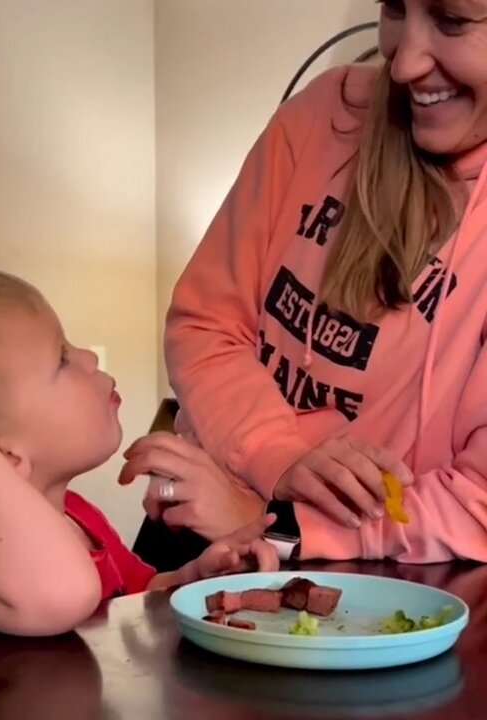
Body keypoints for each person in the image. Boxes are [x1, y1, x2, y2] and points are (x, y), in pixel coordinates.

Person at [126, 0, 487, 566]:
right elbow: (205, 324)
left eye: (452, 21)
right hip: (202, 522)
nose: (404, 63)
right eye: (395, 7)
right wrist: (278, 460)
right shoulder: (324, 113)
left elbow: (477, 504)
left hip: (372, 580)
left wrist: (278, 526)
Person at [0, 268, 276, 640]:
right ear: (3, 455)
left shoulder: (79, 515)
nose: (90, 357)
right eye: (61, 359)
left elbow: (134, 597)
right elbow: (65, 597)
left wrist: (193, 577)